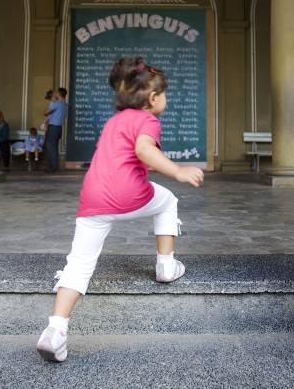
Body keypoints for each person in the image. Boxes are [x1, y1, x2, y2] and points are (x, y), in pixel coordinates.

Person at [36, 57, 204, 363]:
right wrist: (177, 171)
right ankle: (166, 265)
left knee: (79, 264)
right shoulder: (148, 120)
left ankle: (55, 330)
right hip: (130, 193)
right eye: (164, 94)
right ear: (153, 99)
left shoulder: (115, 120)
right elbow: (143, 149)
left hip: (92, 198)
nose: (164, 99)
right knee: (167, 200)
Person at [44, 87, 68, 173]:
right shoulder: (65, 104)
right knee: (54, 148)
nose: (55, 94)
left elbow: (45, 113)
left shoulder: (57, 103)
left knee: (51, 148)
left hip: (53, 128)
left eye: (57, 92)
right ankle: (53, 166)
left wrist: (51, 103)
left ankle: (53, 168)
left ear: (60, 94)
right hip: (59, 128)